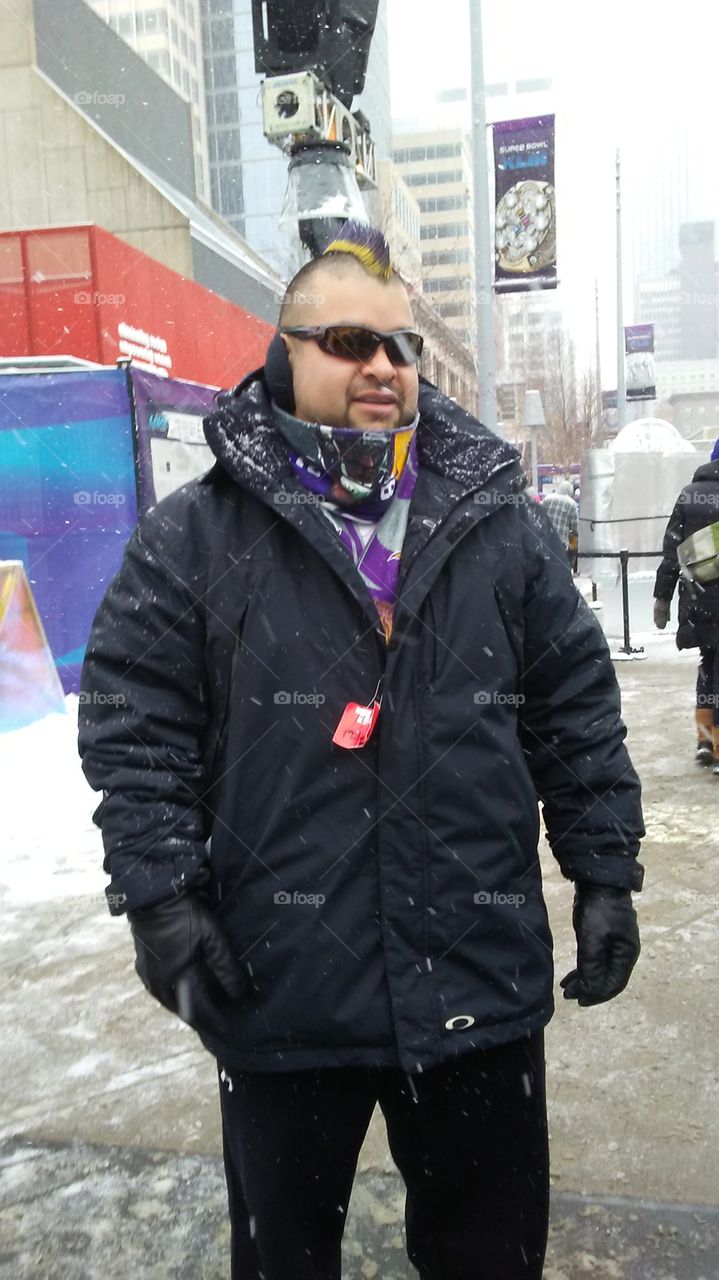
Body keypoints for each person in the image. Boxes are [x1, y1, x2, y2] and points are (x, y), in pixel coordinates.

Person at [78, 222, 644, 1280]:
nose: (382, 365)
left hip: (475, 986)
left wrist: (604, 869)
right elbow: (132, 721)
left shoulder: (494, 526)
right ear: (284, 349)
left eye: (400, 346)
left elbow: (572, 707)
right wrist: (161, 894)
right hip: (280, 988)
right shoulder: (194, 537)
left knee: (488, 1257)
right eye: (347, 339)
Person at [654, 437, 719, 774]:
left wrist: (662, 597)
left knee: (708, 664)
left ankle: (705, 739)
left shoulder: (689, 495)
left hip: (698, 598)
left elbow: (672, 551)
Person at [541, 480, 579, 571]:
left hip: (545, 539)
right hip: (561, 542)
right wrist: (573, 547)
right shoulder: (572, 504)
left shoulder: (547, 499)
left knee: (546, 566)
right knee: (558, 567)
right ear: (570, 491)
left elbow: (539, 515)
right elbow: (574, 528)